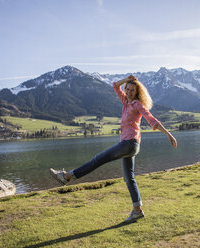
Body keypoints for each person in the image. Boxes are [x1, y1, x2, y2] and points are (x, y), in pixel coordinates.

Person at [50, 75, 177, 222]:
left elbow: (152, 120)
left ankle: (67, 176)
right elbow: (115, 85)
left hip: (129, 144)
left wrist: (169, 134)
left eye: (132, 90)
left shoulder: (137, 104)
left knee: (98, 159)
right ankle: (137, 211)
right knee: (129, 178)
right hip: (129, 145)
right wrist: (127, 79)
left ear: (137, 92)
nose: (129, 92)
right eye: (127, 89)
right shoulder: (125, 102)